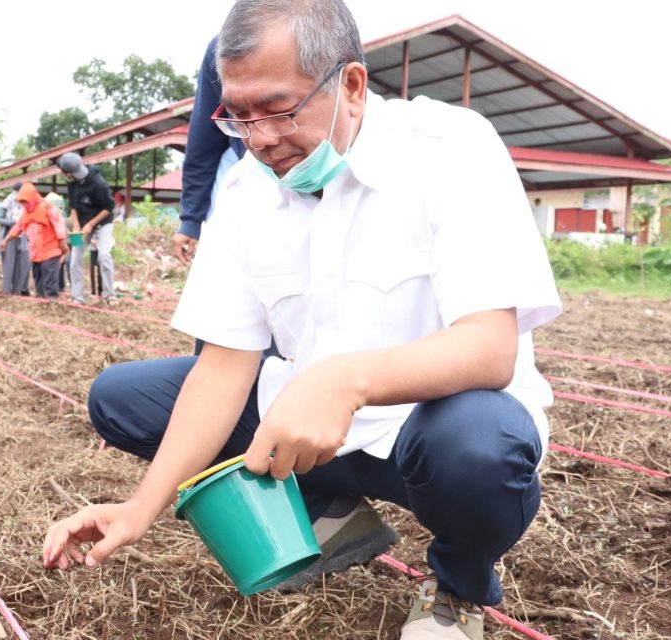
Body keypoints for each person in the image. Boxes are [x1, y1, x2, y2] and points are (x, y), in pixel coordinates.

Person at [42, 2, 562, 639]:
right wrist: (140, 508)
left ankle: (457, 583)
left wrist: (346, 381)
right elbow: (224, 368)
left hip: (426, 432)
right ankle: (330, 515)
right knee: (122, 398)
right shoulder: (244, 194)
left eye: (280, 109)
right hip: (310, 430)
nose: (258, 138)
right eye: (238, 114)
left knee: (481, 444)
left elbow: (489, 348)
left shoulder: (449, 148)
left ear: (350, 84)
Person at [173, 35, 248, 265]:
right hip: (244, 165)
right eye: (244, 111)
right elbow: (204, 140)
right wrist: (191, 219)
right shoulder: (223, 47)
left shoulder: (324, 29)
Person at [56, 152, 116, 304]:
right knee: (75, 258)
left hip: (103, 223)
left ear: (68, 173)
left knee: (104, 256)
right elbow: (73, 206)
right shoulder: (72, 184)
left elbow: (109, 208)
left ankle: (110, 295)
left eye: (63, 172)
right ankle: (77, 297)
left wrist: (91, 224)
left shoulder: (98, 184)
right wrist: (76, 225)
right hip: (82, 226)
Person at [2, 183, 68, 299]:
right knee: (38, 280)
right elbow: (18, 227)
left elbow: (59, 226)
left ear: (32, 197)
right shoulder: (27, 212)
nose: (24, 205)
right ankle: (41, 303)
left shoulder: (48, 208)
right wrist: (6, 240)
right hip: (35, 252)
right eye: (22, 202)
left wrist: (63, 245)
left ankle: (52, 305)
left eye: (26, 201)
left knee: (49, 280)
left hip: (50, 250)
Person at [0, 183, 31, 295]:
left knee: (23, 262)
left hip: (24, 235)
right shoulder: (8, 202)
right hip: (9, 235)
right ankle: (6, 290)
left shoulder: (27, 202)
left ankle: (19, 290)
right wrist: (12, 222)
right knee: (9, 263)